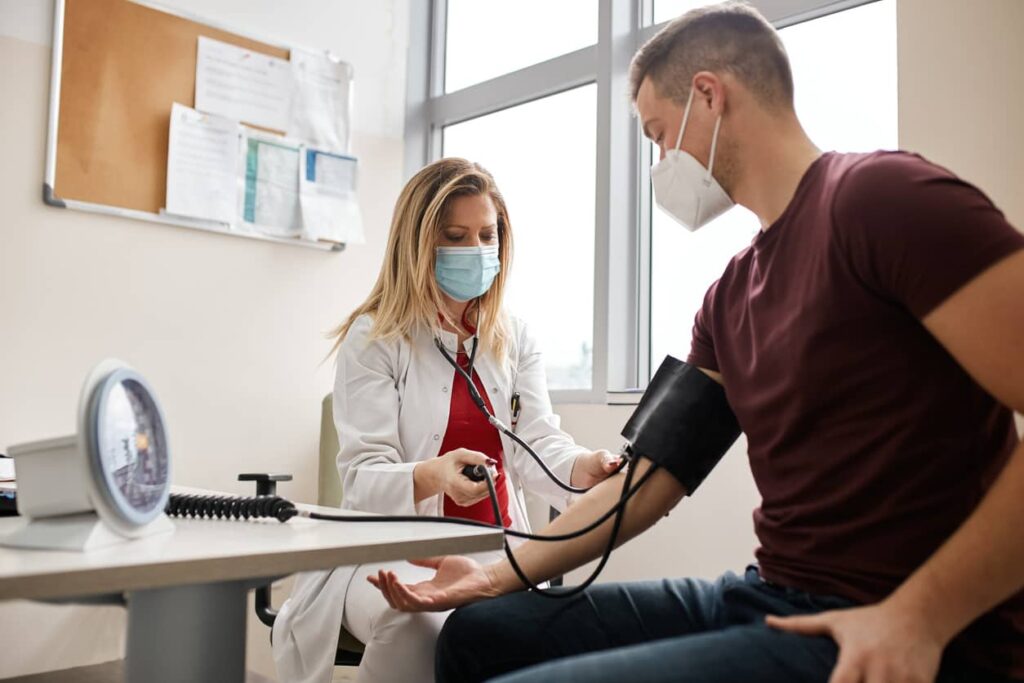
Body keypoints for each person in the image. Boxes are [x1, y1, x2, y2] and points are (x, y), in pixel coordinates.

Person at [367, 3, 1024, 682]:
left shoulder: (882, 199)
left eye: (657, 135)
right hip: (768, 595)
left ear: (708, 95)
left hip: (896, 617)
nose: (658, 161)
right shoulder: (730, 296)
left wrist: (922, 614)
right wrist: (492, 574)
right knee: (481, 633)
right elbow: (647, 481)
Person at [271, 157, 620, 683]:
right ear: (417, 244)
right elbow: (363, 476)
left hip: (499, 550)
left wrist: (584, 468)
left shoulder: (514, 337)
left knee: (557, 633)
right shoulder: (375, 339)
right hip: (391, 549)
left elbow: (538, 442)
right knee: (415, 624)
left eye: (487, 235)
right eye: (455, 236)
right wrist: (433, 475)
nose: (476, 251)